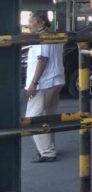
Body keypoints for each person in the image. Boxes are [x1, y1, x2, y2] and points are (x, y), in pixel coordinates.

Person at [24, 11, 65, 162]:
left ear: (41, 23)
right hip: (56, 80)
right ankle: (49, 148)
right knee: (48, 116)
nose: (28, 25)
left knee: (33, 118)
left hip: (44, 83)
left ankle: (47, 152)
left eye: (31, 21)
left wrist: (34, 83)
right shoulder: (55, 35)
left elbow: (42, 60)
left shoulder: (42, 37)